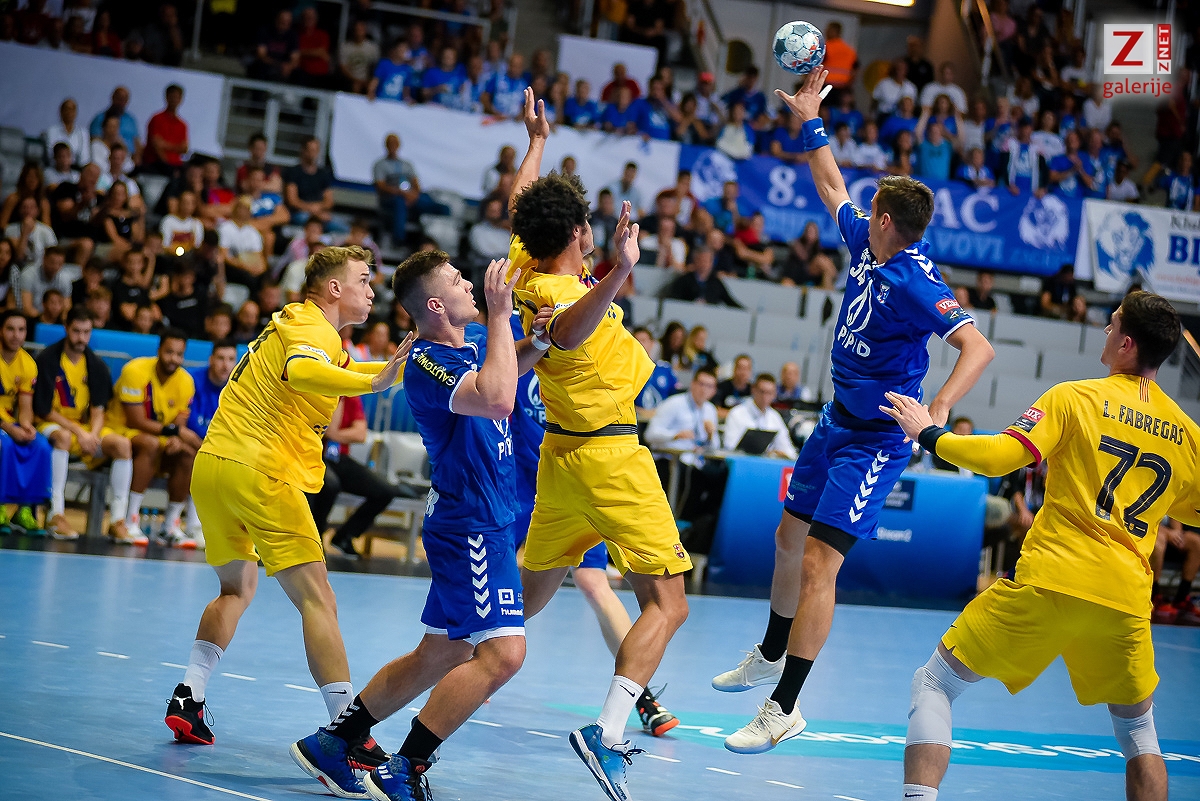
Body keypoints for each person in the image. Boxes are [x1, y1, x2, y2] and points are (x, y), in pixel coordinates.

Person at [711, 68, 993, 754]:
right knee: (786, 538)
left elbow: (977, 346)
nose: (862, 212)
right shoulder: (867, 242)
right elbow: (832, 185)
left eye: (873, 210)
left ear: (888, 220)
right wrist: (810, 118)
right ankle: (769, 654)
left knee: (818, 564)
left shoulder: (916, 279)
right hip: (835, 420)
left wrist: (936, 411)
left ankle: (784, 707)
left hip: (875, 440)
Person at [881, 291, 1194, 801]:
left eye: (1113, 324)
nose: (1106, 330)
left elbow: (1000, 456)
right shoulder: (1186, 433)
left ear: (1127, 345)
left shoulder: (1074, 398)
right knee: (1140, 732)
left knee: (935, 683)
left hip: (1052, 581)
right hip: (1125, 600)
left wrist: (930, 435)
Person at [163, 246, 411, 789]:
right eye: (363, 280)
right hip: (261, 471)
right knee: (319, 599)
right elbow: (303, 371)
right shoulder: (311, 326)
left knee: (236, 588)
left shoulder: (309, 331)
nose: (372, 290)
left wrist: (399, 369)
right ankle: (347, 734)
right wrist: (374, 384)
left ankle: (189, 694)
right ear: (334, 289)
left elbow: (342, 369)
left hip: (214, 467)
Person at [292, 254, 536, 799]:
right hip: (470, 526)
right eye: (458, 281)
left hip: (487, 518)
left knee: (442, 652)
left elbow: (508, 367)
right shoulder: (426, 362)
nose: (470, 284)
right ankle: (406, 766)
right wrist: (501, 313)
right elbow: (498, 397)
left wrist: (539, 338)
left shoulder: (473, 342)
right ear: (435, 304)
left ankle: (335, 741)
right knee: (504, 655)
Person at [507, 89, 690, 800]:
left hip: (561, 460)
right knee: (668, 605)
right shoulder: (563, 295)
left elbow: (524, 205)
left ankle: (444, 665)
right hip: (611, 458)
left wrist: (537, 143)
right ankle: (608, 732)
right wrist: (619, 268)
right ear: (579, 233)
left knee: (525, 600)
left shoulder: (526, 267)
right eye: (586, 226)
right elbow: (567, 331)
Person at [33, 307, 137, 542]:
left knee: (122, 445)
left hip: (86, 431)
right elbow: (44, 410)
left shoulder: (96, 364)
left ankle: (118, 520)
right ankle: (56, 514)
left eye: (86, 332)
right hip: (51, 425)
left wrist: (93, 435)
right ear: (66, 328)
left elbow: (98, 409)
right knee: (63, 437)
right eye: (76, 331)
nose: (81, 338)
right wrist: (80, 431)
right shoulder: (48, 359)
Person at [107, 328, 201, 545]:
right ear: (158, 350)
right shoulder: (135, 370)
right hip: (119, 432)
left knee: (187, 453)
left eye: (179, 354)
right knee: (150, 444)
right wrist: (175, 432)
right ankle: (130, 520)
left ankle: (170, 525)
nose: (173, 359)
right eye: (169, 352)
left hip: (159, 437)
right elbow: (135, 421)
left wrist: (176, 438)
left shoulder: (186, 381)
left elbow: (180, 420)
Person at [307, 394, 406, 559]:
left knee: (384, 491)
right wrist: (336, 400)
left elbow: (359, 434)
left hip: (339, 458)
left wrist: (334, 435)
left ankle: (345, 536)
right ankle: (315, 541)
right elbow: (330, 429)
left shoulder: (351, 396)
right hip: (312, 455)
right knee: (329, 485)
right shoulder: (317, 393)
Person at [0, 310, 55, 538]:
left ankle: (25, 510)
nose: (16, 335)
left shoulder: (28, 364)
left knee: (40, 445)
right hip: (3, 425)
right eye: (10, 329)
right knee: (5, 445)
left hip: (8, 421)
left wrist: (26, 426)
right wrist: (9, 429)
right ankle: (1, 508)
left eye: (21, 330)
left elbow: (25, 407)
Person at [372, 134, 450, 246]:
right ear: (386, 145)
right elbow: (381, 186)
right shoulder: (380, 165)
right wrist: (401, 193)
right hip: (391, 199)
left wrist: (413, 196)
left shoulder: (407, 165)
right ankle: (398, 242)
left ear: (399, 145)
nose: (393, 146)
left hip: (411, 198)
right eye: (390, 143)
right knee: (399, 204)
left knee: (442, 207)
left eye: (395, 143)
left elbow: (416, 184)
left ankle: (439, 242)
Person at [722, 373, 798, 459]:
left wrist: (782, 454)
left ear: (774, 394)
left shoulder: (774, 417)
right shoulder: (737, 413)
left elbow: (788, 449)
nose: (765, 397)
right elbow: (730, 446)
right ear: (753, 390)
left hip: (767, 463)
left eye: (769, 393)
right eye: (762, 392)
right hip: (743, 461)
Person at [1151, 518, 1200, 624]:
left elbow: (1172, 512)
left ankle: (1182, 599)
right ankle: (1154, 598)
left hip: (1169, 533)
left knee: (1196, 542)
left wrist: (1177, 532)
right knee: (1158, 541)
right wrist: (1167, 532)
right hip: (1151, 531)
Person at [283, 137, 334, 227]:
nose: (313, 154)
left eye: (315, 150)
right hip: (299, 213)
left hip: (319, 213)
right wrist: (311, 210)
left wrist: (318, 209)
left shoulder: (323, 174)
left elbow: (329, 201)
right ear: (303, 151)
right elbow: (292, 200)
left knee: (341, 227)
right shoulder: (293, 172)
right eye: (311, 150)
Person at [142, 84, 188, 176]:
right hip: (156, 163)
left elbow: (184, 148)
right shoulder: (157, 119)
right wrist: (175, 147)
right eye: (172, 97)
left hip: (176, 164)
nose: (174, 100)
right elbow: (157, 146)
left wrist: (165, 145)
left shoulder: (182, 124)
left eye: (177, 97)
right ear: (166, 97)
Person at [714, 353, 753, 421]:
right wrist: (736, 416)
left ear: (750, 371)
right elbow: (715, 410)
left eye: (746, 369)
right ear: (734, 369)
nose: (743, 372)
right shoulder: (721, 386)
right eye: (740, 368)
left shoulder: (754, 390)